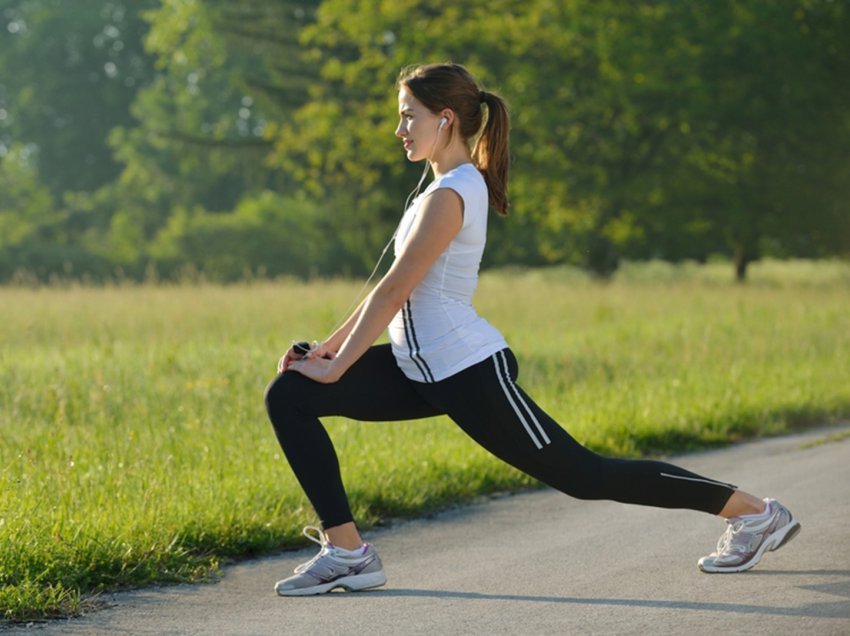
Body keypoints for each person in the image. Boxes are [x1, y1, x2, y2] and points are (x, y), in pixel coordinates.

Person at [264, 63, 800, 596]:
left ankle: (755, 513)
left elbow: (395, 290)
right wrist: (325, 353)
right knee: (290, 394)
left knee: (586, 476)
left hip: (469, 371)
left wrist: (337, 366)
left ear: (445, 119)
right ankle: (349, 552)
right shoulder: (437, 192)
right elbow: (386, 286)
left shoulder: (453, 193)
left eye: (409, 117)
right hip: (418, 369)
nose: (400, 129)